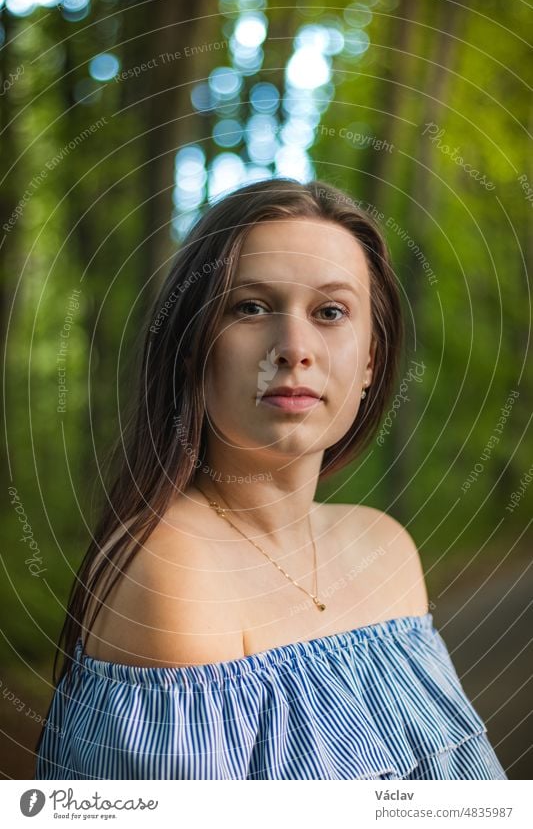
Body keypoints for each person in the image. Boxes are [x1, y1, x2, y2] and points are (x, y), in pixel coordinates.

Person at [35, 177, 507, 780]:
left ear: (369, 362)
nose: (293, 348)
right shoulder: (174, 576)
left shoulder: (386, 548)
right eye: (251, 307)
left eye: (331, 312)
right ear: (191, 349)